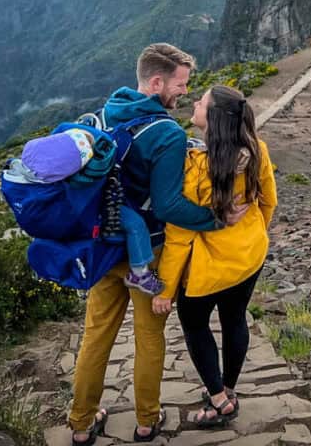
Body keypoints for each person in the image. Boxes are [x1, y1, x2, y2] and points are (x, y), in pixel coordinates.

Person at [69, 44, 248, 445]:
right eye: (180, 84)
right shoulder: (166, 132)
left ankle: (81, 424)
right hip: (147, 255)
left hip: (103, 247)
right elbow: (168, 206)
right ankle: (147, 421)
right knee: (149, 338)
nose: (184, 92)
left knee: (96, 336)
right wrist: (216, 218)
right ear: (156, 83)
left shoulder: (105, 114)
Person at [151, 85, 277, 428]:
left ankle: (219, 400)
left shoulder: (196, 168)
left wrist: (165, 290)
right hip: (249, 256)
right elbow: (269, 201)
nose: (195, 103)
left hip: (209, 269)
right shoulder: (257, 151)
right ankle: (229, 388)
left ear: (215, 118)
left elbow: (179, 236)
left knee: (194, 325)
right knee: (235, 319)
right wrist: (253, 234)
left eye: (202, 102)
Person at [19, 128, 164, 295]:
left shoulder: (43, 176)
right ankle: (139, 274)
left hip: (73, 216)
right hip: (95, 210)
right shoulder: (86, 171)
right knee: (136, 225)